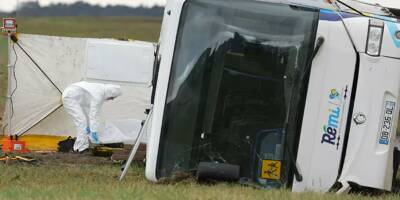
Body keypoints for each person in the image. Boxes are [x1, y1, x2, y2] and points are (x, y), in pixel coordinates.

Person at [62, 81, 122, 152]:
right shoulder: (98, 95)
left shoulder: (100, 90)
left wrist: (90, 126)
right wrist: (94, 131)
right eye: (112, 97)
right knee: (81, 122)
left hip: (74, 96)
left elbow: (89, 111)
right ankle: (79, 149)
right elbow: (93, 115)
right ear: (110, 94)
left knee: (84, 123)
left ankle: (83, 146)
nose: (112, 99)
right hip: (70, 97)